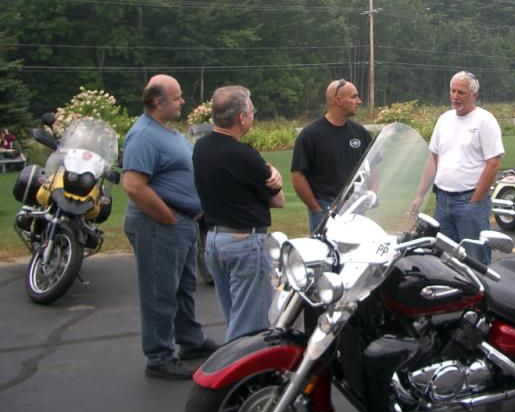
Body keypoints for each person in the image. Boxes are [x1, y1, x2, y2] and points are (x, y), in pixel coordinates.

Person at [122, 74, 218, 380]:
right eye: (177, 98)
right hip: (158, 225)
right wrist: (167, 217)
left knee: (183, 288)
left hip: (182, 224)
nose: (182, 101)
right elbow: (133, 185)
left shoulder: (166, 131)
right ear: (157, 102)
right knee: (159, 292)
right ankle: (159, 356)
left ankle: (190, 341)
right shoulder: (143, 136)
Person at [193, 86, 285, 342]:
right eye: (252, 111)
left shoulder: (201, 148)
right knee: (251, 329)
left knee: (235, 318)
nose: (253, 115)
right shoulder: (244, 155)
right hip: (245, 244)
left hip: (214, 241)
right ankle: (236, 367)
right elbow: (278, 200)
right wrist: (275, 174)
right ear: (242, 118)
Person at [411, 71, 504, 265]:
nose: (455, 96)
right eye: (453, 91)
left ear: (474, 95)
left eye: (461, 92)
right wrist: (419, 195)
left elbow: (493, 163)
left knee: (475, 261)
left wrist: (475, 201)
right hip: (442, 201)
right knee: (444, 259)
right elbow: (433, 159)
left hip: (469, 202)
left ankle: (480, 286)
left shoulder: (485, 121)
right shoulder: (444, 119)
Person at [291, 79, 371, 232]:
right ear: (338, 101)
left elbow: (371, 165)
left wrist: (372, 194)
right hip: (325, 208)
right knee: (327, 249)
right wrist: (316, 208)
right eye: (354, 97)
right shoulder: (310, 135)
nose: (359, 101)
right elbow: (297, 176)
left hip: (356, 207)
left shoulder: (360, 132)